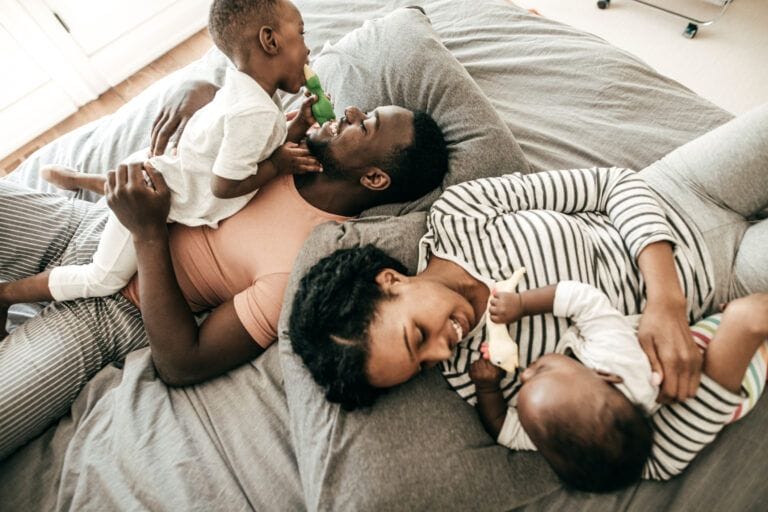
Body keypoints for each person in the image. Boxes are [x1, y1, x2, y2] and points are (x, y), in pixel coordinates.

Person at [289, 104, 768, 486]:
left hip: (677, 191)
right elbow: (633, 449)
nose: (443, 350)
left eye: (418, 336)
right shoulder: (483, 376)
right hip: (731, 282)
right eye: (424, 364)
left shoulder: (462, 213)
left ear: (391, 282)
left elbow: (615, 186)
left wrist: (666, 300)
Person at [0, 96, 449, 459]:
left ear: (373, 178)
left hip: (112, 312)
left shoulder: (303, 262)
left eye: (365, 123)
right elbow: (232, 99)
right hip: (89, 224)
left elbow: (182, 362)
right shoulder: (287, 145)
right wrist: (196, 91)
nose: (351, 110)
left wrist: (150, 235)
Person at [0, 0, 324, 308]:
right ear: (269, 40)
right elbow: (224, 185)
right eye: (301, 32)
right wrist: (278, 165)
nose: (308, 48)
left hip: (162, 170)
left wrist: (298, 128)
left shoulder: (246, 88)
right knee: (102, 279)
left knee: (154, 175)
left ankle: (78, 180)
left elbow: (262, 142)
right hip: (157, 193)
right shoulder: (255, 112)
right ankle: (7, 294)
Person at [468, 281, 768, 492]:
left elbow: (503, 429)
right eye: (540, 371)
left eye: (520, 394)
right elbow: (748, 319)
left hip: (709, 340)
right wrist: (736, 319)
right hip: (734, 367)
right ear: (605, 376)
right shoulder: (616, 362)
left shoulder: (560, 433)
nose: (522, 375)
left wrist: (487, 390)